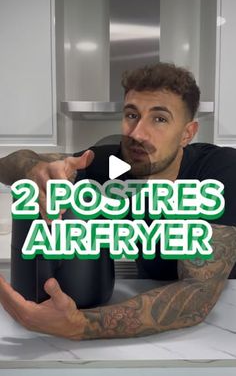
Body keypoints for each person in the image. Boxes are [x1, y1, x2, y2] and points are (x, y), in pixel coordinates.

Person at [0, 62, 236, 340]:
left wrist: (81, 325)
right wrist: (33, 170)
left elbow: (197, 292)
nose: (137, 133)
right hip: (150, 302)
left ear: (187, 133)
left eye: (159, 119)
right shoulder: (112, 164)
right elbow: (9, 164)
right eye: (131, 115)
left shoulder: (219, 171)